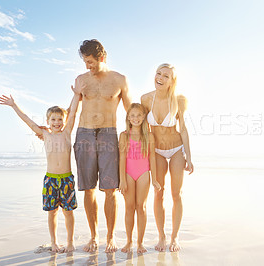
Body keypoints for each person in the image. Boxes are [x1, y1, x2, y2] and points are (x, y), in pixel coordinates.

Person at [0, 89, 80, 253]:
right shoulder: (44, 134)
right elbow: (28, 121)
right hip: (50, 179)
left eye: (60, 119)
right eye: (53, 119)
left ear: (64, 121)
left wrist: (76, 95)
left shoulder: (66, 133)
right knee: (52, 213)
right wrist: (14, 105)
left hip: (66, 180)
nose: (57, 122)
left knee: (68, 212)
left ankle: (70, 242)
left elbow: (73, 113)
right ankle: (54, 242)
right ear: (48, 121)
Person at [73, 39, 131, 253]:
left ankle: (110, 236)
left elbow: (130, 111)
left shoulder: (120, 80)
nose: (87, 66)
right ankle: (94, 236)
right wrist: (56, 132)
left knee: (110, 189)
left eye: (91, 62)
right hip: (84, 134)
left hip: (109, 134)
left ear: (102, 58)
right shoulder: (80, 79)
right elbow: (72, 110)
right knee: (88, 188)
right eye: (85, 62)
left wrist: (134, 138)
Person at [141, 63, 194, 252]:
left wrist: (189, 155)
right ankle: (162, 236)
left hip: (176, 149)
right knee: (158, 193)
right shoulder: (146, 99)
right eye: (158, 74)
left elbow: (184, 129)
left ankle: (175, 237)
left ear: (172, 81)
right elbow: (142, 129)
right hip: (157, 152)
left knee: (176, 194)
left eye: (166, 76)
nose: (160, 78)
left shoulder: (179, 100)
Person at [118, 103, 161, 254]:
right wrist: (122, 179)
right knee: (129, 208)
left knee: (141, 207)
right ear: (128, 118)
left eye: (138, 115)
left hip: (143, 173)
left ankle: (140, 242)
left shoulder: (149, 136)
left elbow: (153, 158)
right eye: (132, 116)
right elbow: (122, 158)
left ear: (143, 117)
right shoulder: (124, 135)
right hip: (128, 174)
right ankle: (129, 241)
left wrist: (154, 179)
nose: (135, 118)